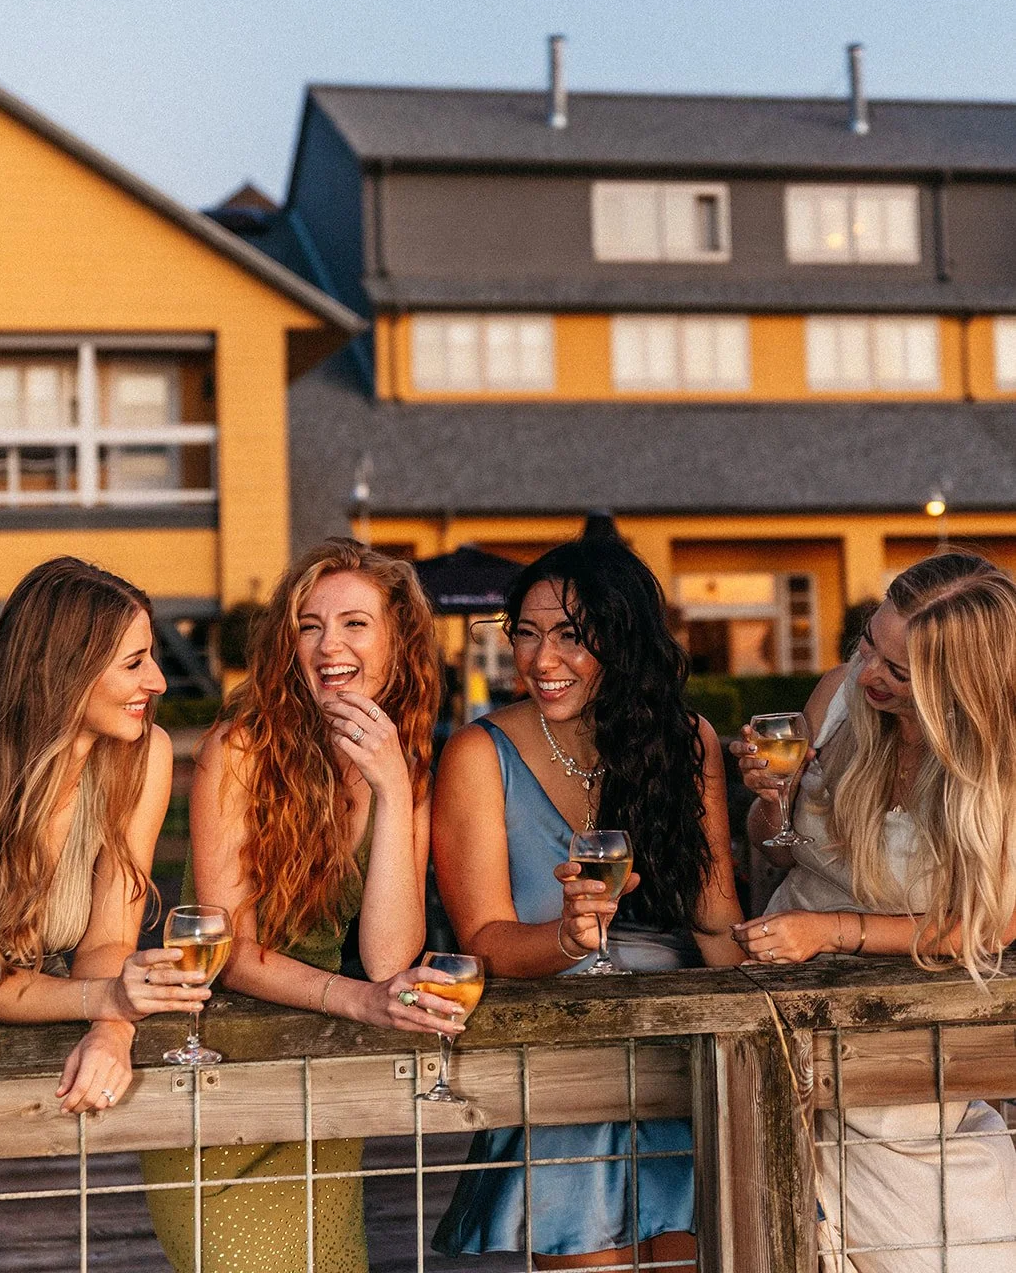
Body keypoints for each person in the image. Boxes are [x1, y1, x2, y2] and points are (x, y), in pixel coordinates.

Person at [143, 538, 465, 1273]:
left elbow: (390, 956)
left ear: (398, 642)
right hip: (216, 1072)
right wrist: (360, 1002)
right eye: (309, 624)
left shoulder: (404, 765)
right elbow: (226, 954)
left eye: (354, 623)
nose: (328, 644)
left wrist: (388, 786)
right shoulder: (241, 748)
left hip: (318, 1076)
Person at [431, 537, 745, 1269]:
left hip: (681, 1052)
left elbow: (714, 916)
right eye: (527, 633)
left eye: (571, 635)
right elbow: (481, 939)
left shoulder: (684, 740)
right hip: (564, 1056)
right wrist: (569, 940)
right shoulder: (479, 755)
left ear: (624, 636)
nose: (542, 660)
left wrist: (759, 1028)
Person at [731, 551, 1016, 1271]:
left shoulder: (997, 767)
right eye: (868, 643)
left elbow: (988, 926)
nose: (867, 676)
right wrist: (770, 807)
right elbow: (780, 852)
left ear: (959, 687)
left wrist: (834, 933)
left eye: (897, 672)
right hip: (774, 1016)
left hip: (900, 1051)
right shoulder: (834, 702)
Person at [0, 556, 209, 1265]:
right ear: (66, 670)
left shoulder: (141, 755)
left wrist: (113, 1028)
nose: (157, 682)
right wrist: (110, 996)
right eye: (135, 663)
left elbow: (110, 937)